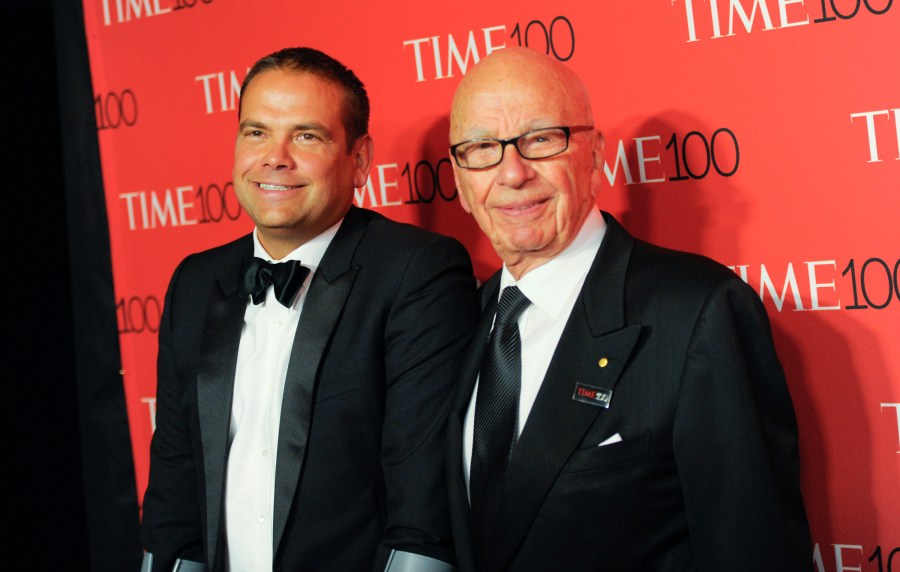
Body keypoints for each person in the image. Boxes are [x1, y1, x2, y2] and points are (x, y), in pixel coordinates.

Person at [444, 47, 812, 571]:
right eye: (482, 148)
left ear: (595, 155)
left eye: (542, 139)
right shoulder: (464, 322)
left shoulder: (699, 313)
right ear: (459, 181)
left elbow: (754, 551)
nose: (512, 172)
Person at [140, 47, 478, 572]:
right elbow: (174, 490)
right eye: (256, 132)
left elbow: (423, 511)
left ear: (359, 159)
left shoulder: (416, 272)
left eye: (306, 135)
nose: (275, 157)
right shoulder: (195, 280)